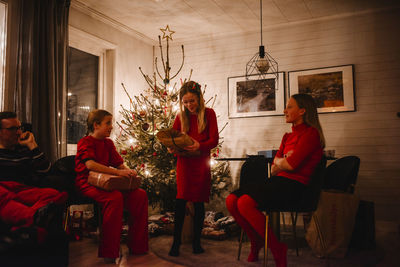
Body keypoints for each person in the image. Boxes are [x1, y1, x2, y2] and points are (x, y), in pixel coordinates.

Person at [226, 94, 325, 267]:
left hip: (296, 187)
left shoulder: (311, 134)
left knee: (245, 203)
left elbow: (292, 166)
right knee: (231, 200)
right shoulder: (287, 137)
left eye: (289, 107)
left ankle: (277, 248)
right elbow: (274, 167)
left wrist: (284, 162)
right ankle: (256, 241)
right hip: (278, 182)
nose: (285, 110)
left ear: (302, 111)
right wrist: (284, 161)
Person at [75, 109, 148, 264]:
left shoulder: (108, 143)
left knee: (140, 195)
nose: (111, 127)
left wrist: (128, 171)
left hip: (107, 183)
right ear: (96, 125)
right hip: (88, 183)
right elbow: (90, 165)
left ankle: (138, 246)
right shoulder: (85, 142)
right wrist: (117, 173)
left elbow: (119, 164)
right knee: (114, 198)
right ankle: (109, 251)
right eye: (108, 123)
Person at [168, 81, 219, 257]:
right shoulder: (180, 117)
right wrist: (171, 147)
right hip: (185, 164)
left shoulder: (209, 114)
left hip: (201, 162)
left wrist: (200, 145)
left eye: (192, 101)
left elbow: (214, 140)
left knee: (198, 202)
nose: (189, 105)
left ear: (199, 98)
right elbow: (171, 138)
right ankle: (176, 243)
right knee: (180, 201)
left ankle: (197, 243)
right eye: (185, 102)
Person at [0, 111, 68, 237]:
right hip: (3, 191)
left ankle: (24, 222)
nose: (19, 132)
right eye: (12, 129)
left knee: (53, 194)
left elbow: (47, 170)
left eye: (19, 128)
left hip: (23, 191)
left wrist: (32, 145)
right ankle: (32, 217)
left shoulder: (24, 149)